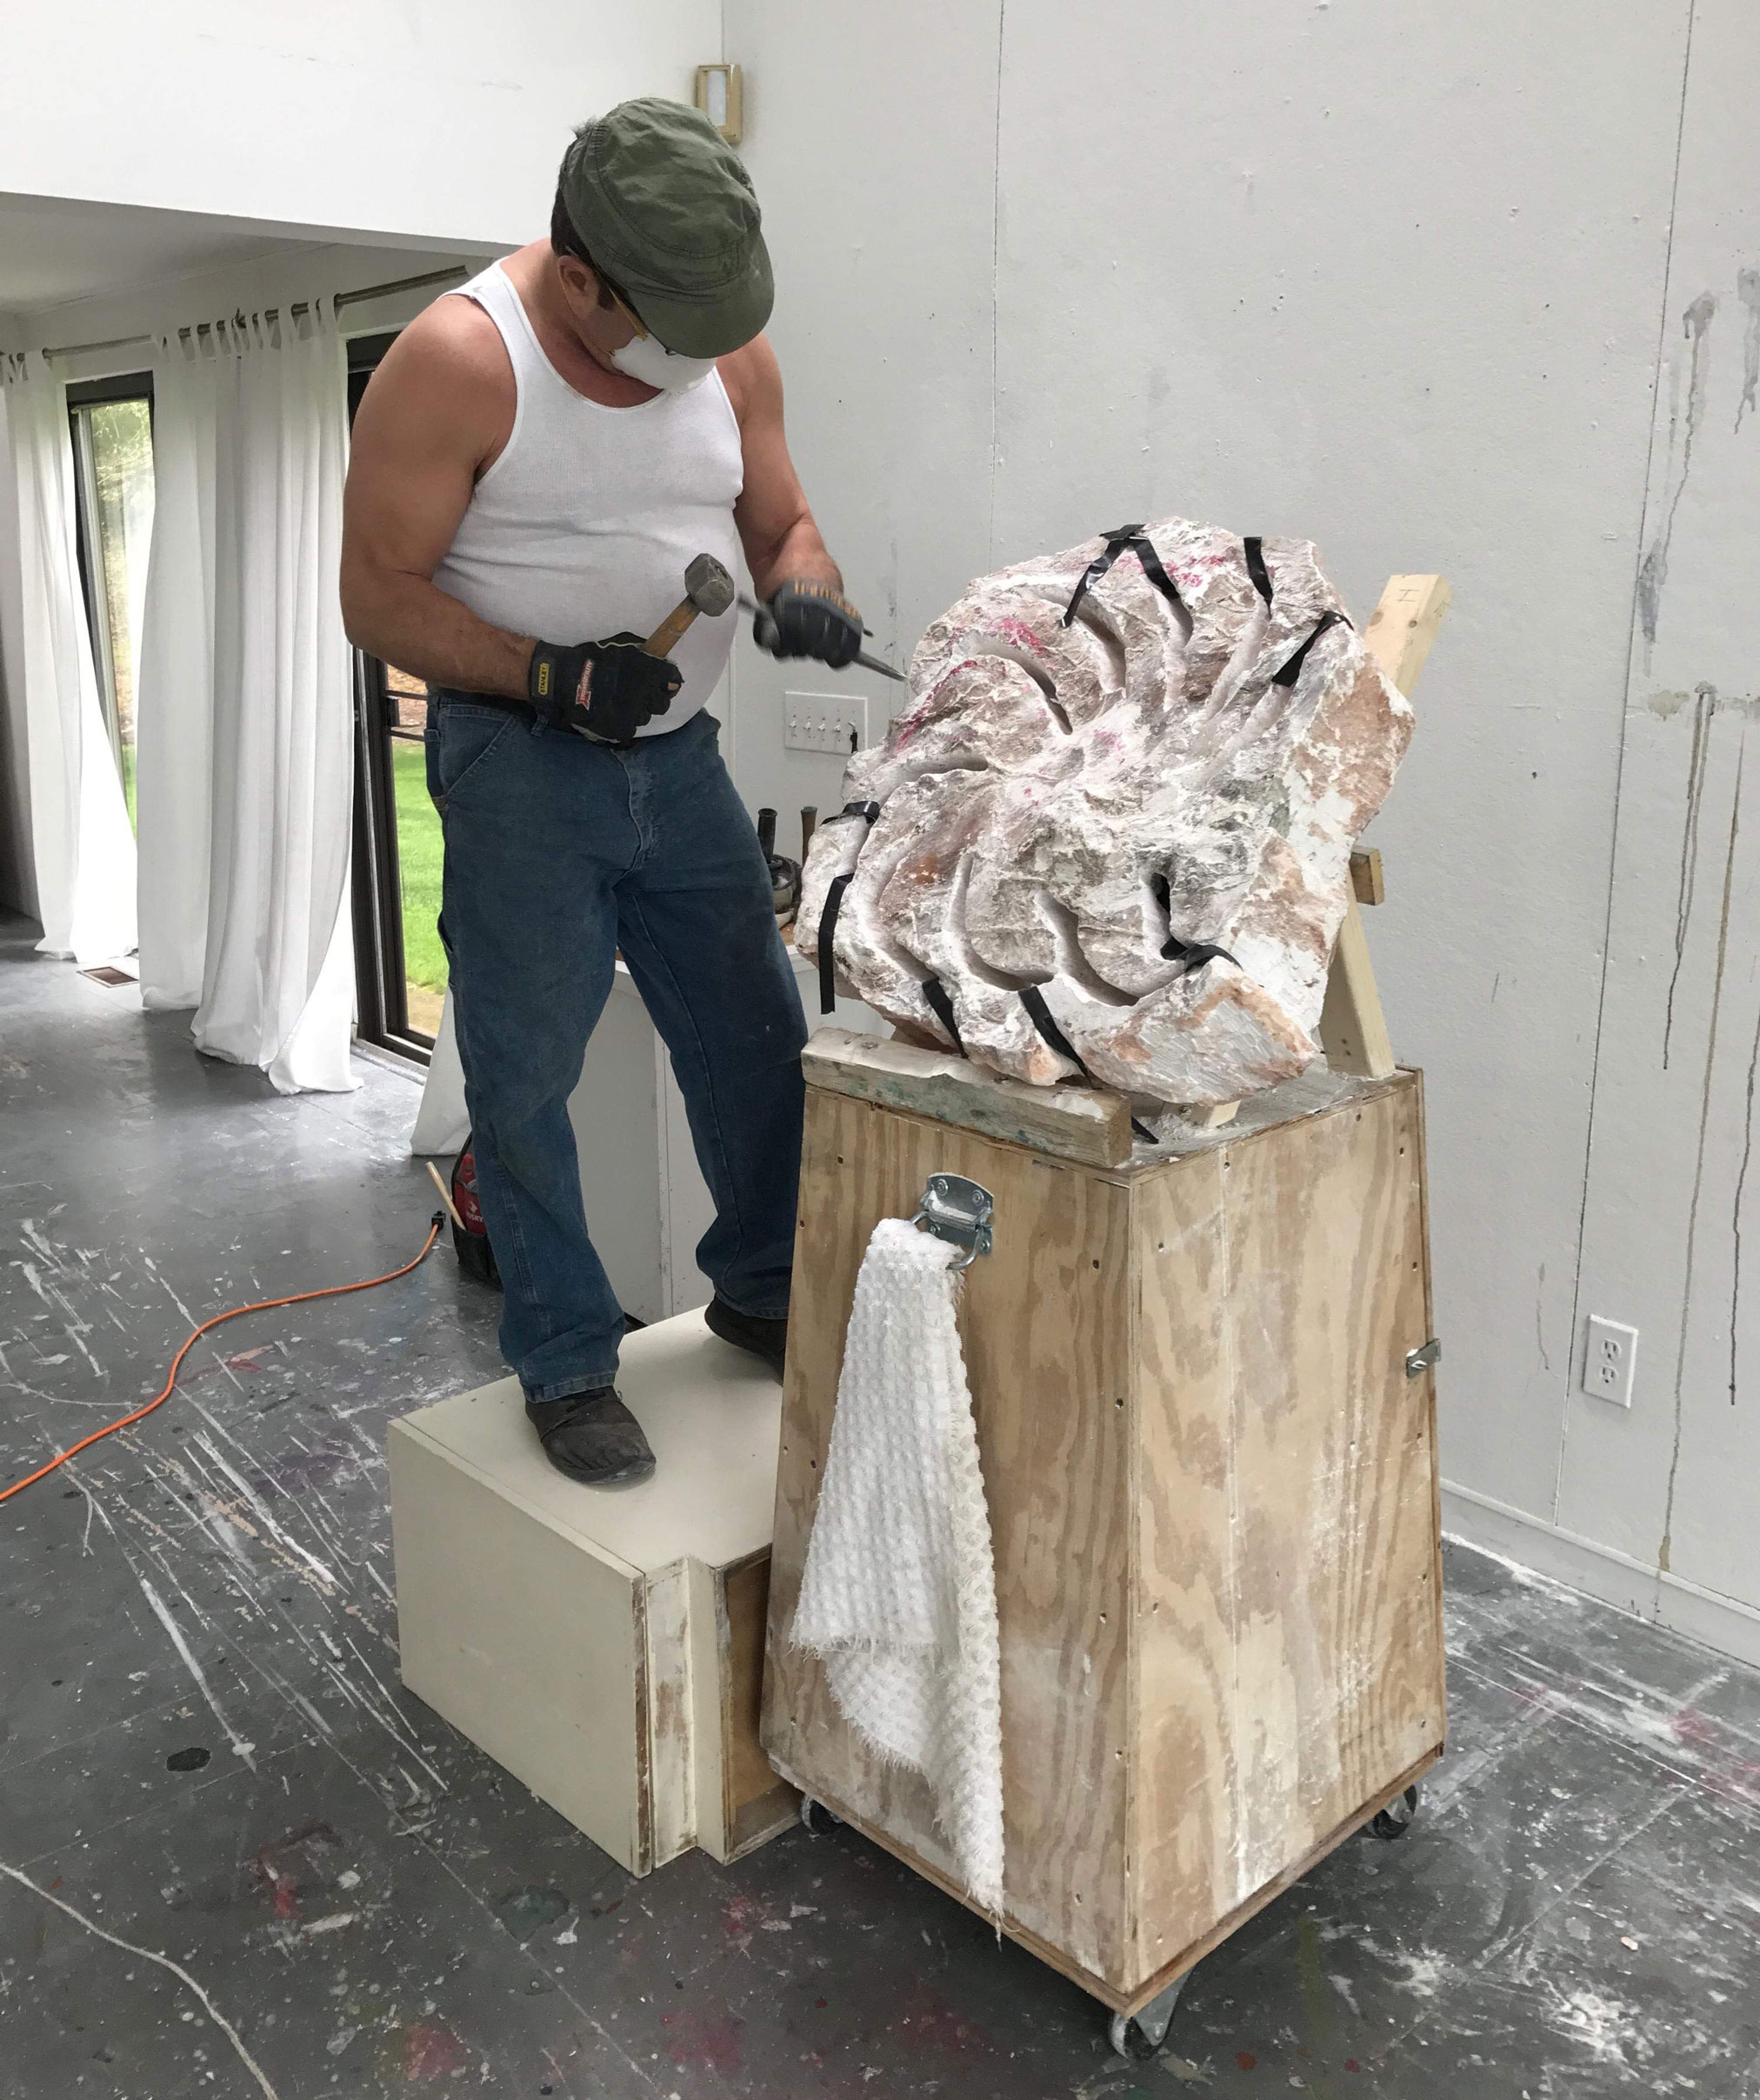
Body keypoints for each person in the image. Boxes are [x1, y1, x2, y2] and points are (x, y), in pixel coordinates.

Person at [341, 99, 863, 1486]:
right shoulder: (458, 361)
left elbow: (780, 518)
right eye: (671, 331)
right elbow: (375, 595)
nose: (700, 360)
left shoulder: (722, 337)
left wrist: (805, 580)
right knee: (525, 1076)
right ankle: (567, 1360)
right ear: (581, 277)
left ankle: (761, 1287)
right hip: (521, 769)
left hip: (681, 767)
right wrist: (549, 678)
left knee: (754, 1038)